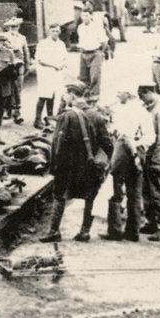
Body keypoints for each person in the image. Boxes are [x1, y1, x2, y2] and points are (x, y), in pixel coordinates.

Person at [39, 83, 113, 243]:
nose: (64, 97)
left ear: (72, 95)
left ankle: (54, 231)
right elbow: (107, 143)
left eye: (66, 94)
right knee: (90, 197)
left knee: (59, 196)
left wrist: (54, 166)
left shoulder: (67, 115)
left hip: (67, 166)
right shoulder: (95, 114)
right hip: (89, 165)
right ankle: (85, 232)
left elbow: (58, 144)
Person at [100, 88, 154, 242]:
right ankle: (133, 231)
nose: (117, 95)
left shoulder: (126, 111)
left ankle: (115, 230)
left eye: (120, 92)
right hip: (140, 153)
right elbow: (151, 137)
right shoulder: (144, 112)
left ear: (128, 94)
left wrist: (131, 149)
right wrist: (138, 149)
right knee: (135, 193)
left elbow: (124, 135)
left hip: (124, 152)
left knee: (114, 190)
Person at [138, 84, 160, 241]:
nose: (142, 100)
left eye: (142, 96)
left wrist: (158, 160)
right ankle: (151, 221)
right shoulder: (153, 107)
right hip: (149, 156)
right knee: (147, 190)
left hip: (157, 157)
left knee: (158, 191)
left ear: (148, 92)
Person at [33, 23, 66, 128]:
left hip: (56, 73)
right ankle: (37, 119)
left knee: (52, 95)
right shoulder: (43, 43)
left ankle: (49, 118)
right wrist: (54, 65)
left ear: (59, 31)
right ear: (49, 31)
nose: (55, 33)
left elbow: (65, 57)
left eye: (57, 31)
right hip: (45, 73)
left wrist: (62, 64)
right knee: (44, 95)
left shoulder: (61, 44)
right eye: (53, 31)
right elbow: (40, 60)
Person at [75, 7, 108, 100]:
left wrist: (101, 52)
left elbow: (104, 41)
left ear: (91, 16)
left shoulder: (97, 27)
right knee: (83, 76)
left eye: (87, 15)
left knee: (95, 76)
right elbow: (81, 41)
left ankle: (94, 95)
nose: (84, 18)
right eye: (83, 16)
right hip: (84, 53)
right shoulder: (80, 27)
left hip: (95, 53)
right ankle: (86, 95)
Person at [3, 17, 29, 123]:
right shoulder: (4, 37)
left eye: (16, 26)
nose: (14, 28)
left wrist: (27, 64)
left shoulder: (22, 38)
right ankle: (7, 110)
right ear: (9, 27)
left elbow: (26, 51)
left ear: (19, 27)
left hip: (19, 65)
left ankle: (17, 112)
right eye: (12, 26)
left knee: (18, 88)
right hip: (8, 65)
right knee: (7, 88)